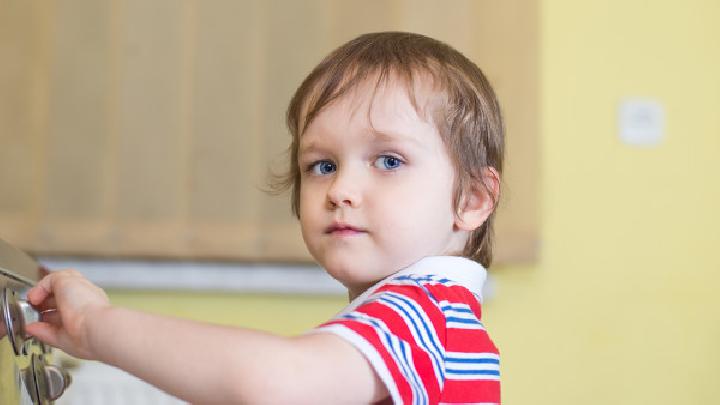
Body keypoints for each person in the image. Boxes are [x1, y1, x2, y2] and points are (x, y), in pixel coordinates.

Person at [26, 31, 504, 404]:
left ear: (473, 200)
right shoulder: (424, 317)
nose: (340, 190)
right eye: (324, 165)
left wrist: (95, 325)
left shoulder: (424, 315)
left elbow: (271, 384)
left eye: (389, 161)